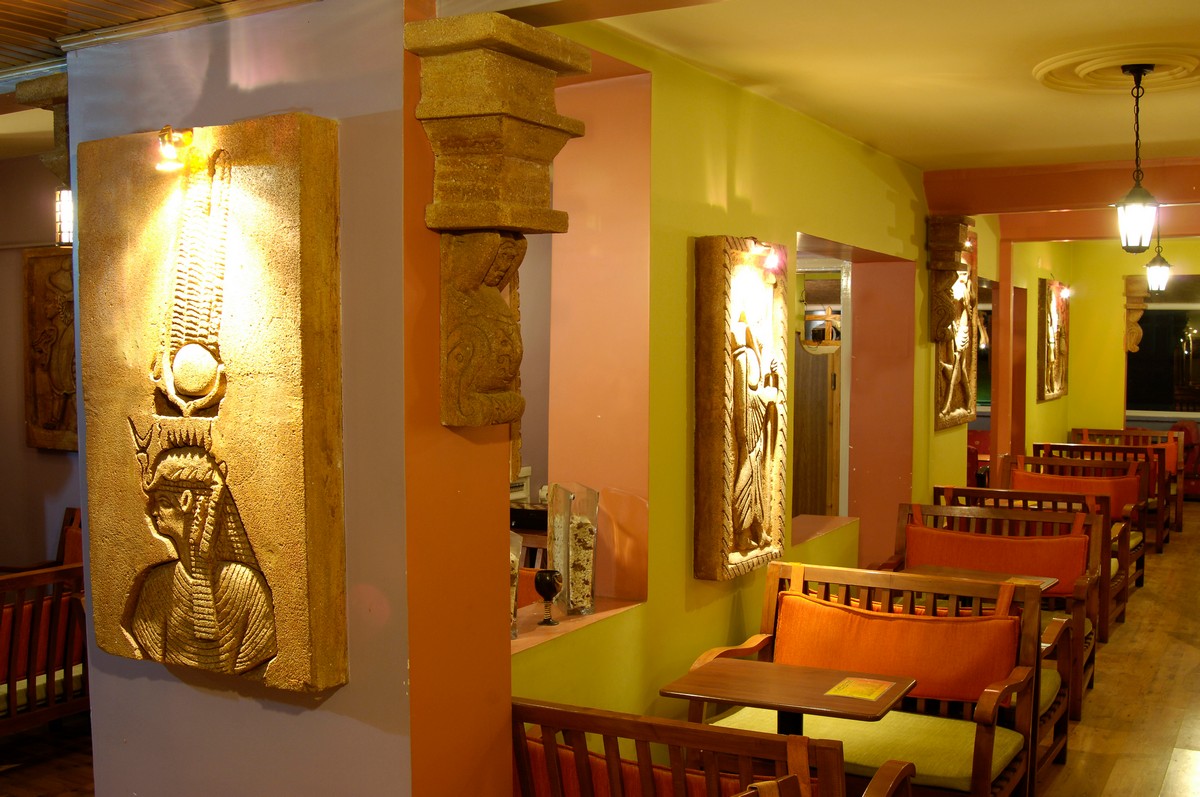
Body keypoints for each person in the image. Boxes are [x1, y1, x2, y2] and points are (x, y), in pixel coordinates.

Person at [126, 444, 277, 675]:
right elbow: (151, 645)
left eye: (164, 502)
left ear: (187, 502)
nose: (153, 511)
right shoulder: (157, 584)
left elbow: (257, 649)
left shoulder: (247, 586)